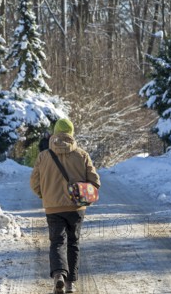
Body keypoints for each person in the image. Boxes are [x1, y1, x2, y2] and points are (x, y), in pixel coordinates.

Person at [30, 118, 100, 294]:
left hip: (52, 207)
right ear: (71, 133)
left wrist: (44, 195)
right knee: (73, 243)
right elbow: (95, 181)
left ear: (55, 133)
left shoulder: (43, 156)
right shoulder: (82, 155)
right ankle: (70, 284)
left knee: (57, 242)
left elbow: (34, 183)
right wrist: (85, 195)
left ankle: (59, 275)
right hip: (76, 208)